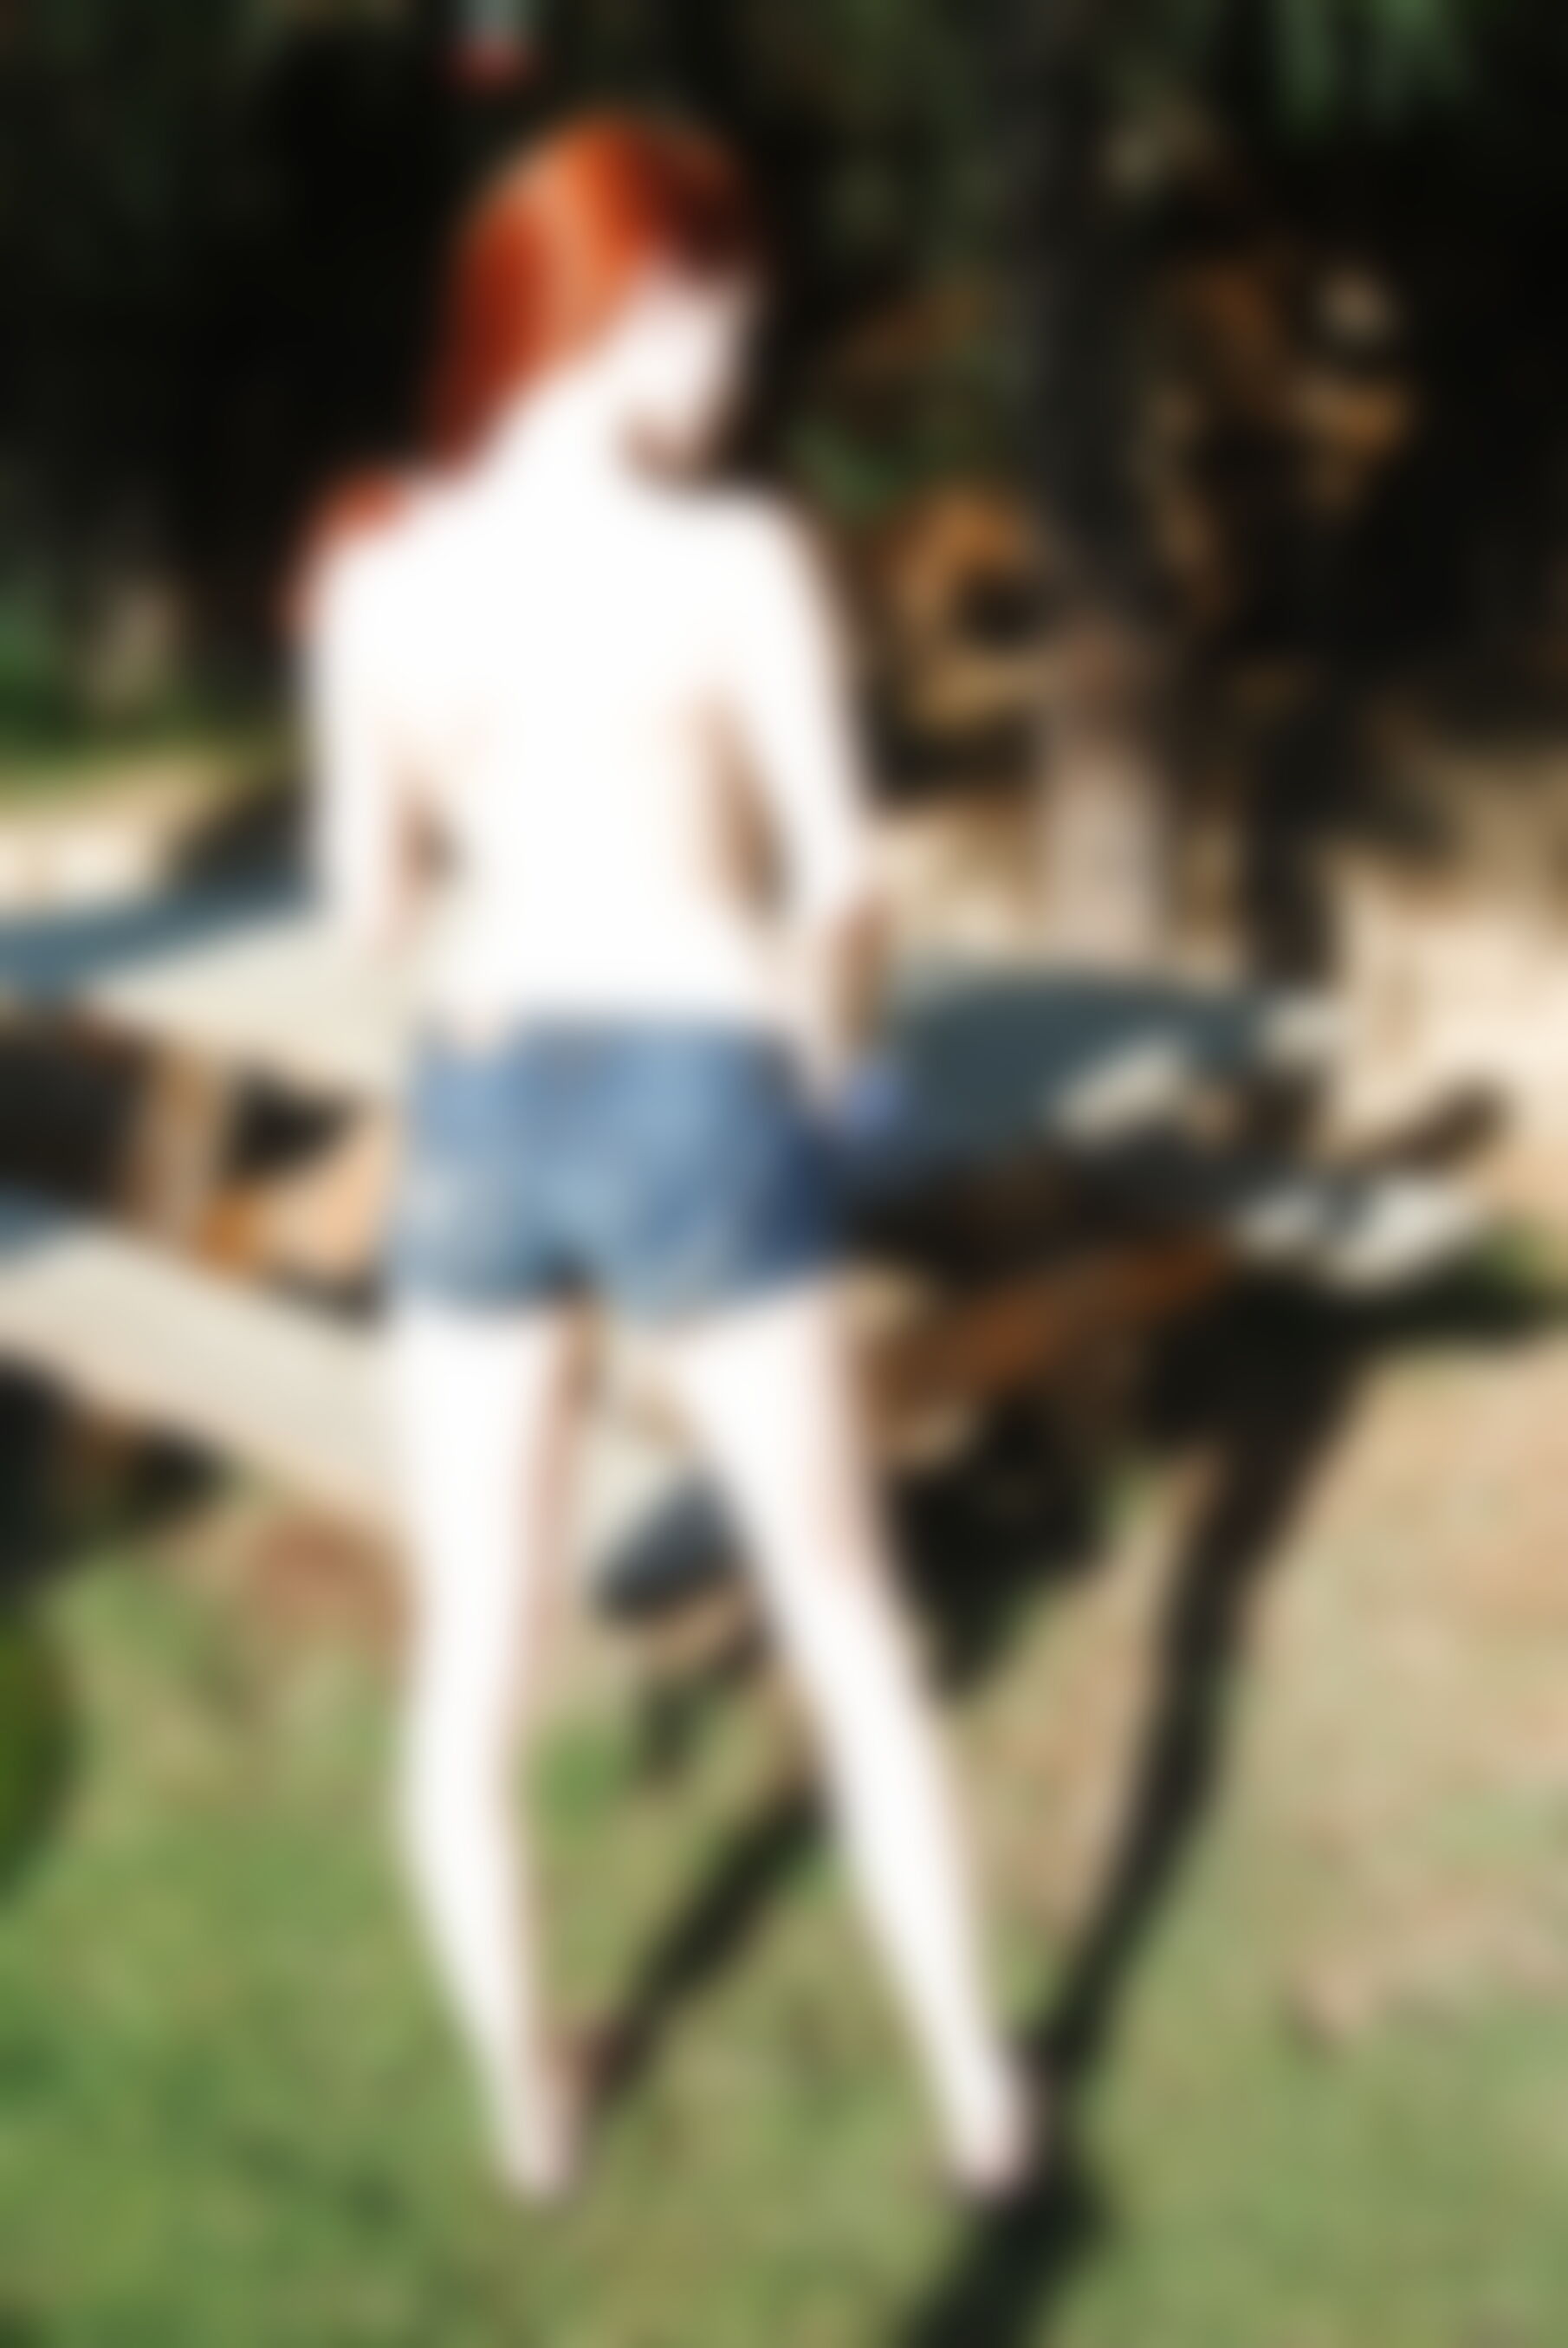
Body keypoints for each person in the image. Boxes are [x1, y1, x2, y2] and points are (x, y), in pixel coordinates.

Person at [300, 110, 1035, 2206]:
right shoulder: (731, 560)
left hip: (480, 1090)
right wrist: (840, 1067)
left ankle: (529, 2112)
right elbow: (841, 884)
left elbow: (366, 908)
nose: (739, 365)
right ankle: (977, 2097)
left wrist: (435, 757)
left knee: (472, 1654)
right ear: (632, 302)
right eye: (728, 318)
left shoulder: (376, 574)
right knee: (848, 1623)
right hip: (699, 1080)